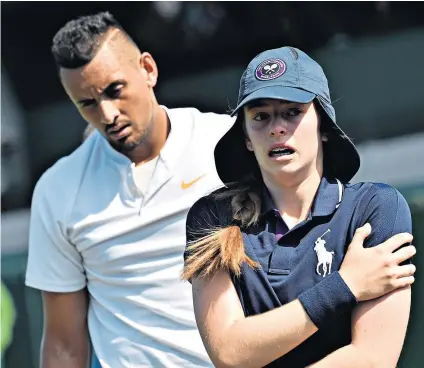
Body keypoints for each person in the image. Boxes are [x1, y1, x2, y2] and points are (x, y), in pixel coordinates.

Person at [182, 46, 416, 368]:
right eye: (260, 116)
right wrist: (346, 285)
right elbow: (230, 352)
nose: (276, 128)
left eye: (292, 112)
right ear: (247, 138)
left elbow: (373, 359)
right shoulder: (212, 218)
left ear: (323, 126)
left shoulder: (376, 208)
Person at [25, 12, 233, 368]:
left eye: (114, 90)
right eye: (87, 104)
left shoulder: (228, 145)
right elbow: (63, 345)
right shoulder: (57, 190)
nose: (107, 114)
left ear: (148, 70)